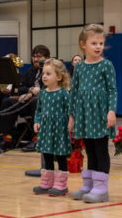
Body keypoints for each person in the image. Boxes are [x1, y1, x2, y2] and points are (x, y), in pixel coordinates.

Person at [69, 24, 117, 203]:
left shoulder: (106, 65)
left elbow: (112, 90)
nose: (98, 46)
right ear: (83, 45)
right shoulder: (79, 67)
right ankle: (89, 185)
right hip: (84, 115)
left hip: (100, 114)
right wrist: (71, 115)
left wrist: (111, 111)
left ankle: (101, 189)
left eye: (101, 43)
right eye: (94, 43)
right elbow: (73, 92)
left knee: (100, 149)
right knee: (89, 149)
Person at [0, 45, 49, 151]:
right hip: (27, 102)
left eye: (39, 56)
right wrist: (29, 91)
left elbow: (46, 88)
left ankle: (37, 139)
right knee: (8, 101)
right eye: (34, 56)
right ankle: (8, 138)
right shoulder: (30, 71)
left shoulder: (50, 70)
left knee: (36, 101)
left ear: (47, 58)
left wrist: (30, 94)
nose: (35, 59)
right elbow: (22, 87)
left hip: (44, 103)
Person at [32, 59, 71, 196]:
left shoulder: (64, 93)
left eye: (48, 74)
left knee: (60, 156)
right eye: (43, 73)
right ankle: (46, 183)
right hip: (46, 130)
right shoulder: (43, 93)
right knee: (47, 155)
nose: (44, 76)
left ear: (59, 77)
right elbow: (39, 110)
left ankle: (61, 185)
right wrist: (37, 121)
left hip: (60, 130)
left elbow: (70, 110)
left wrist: (70, 122)